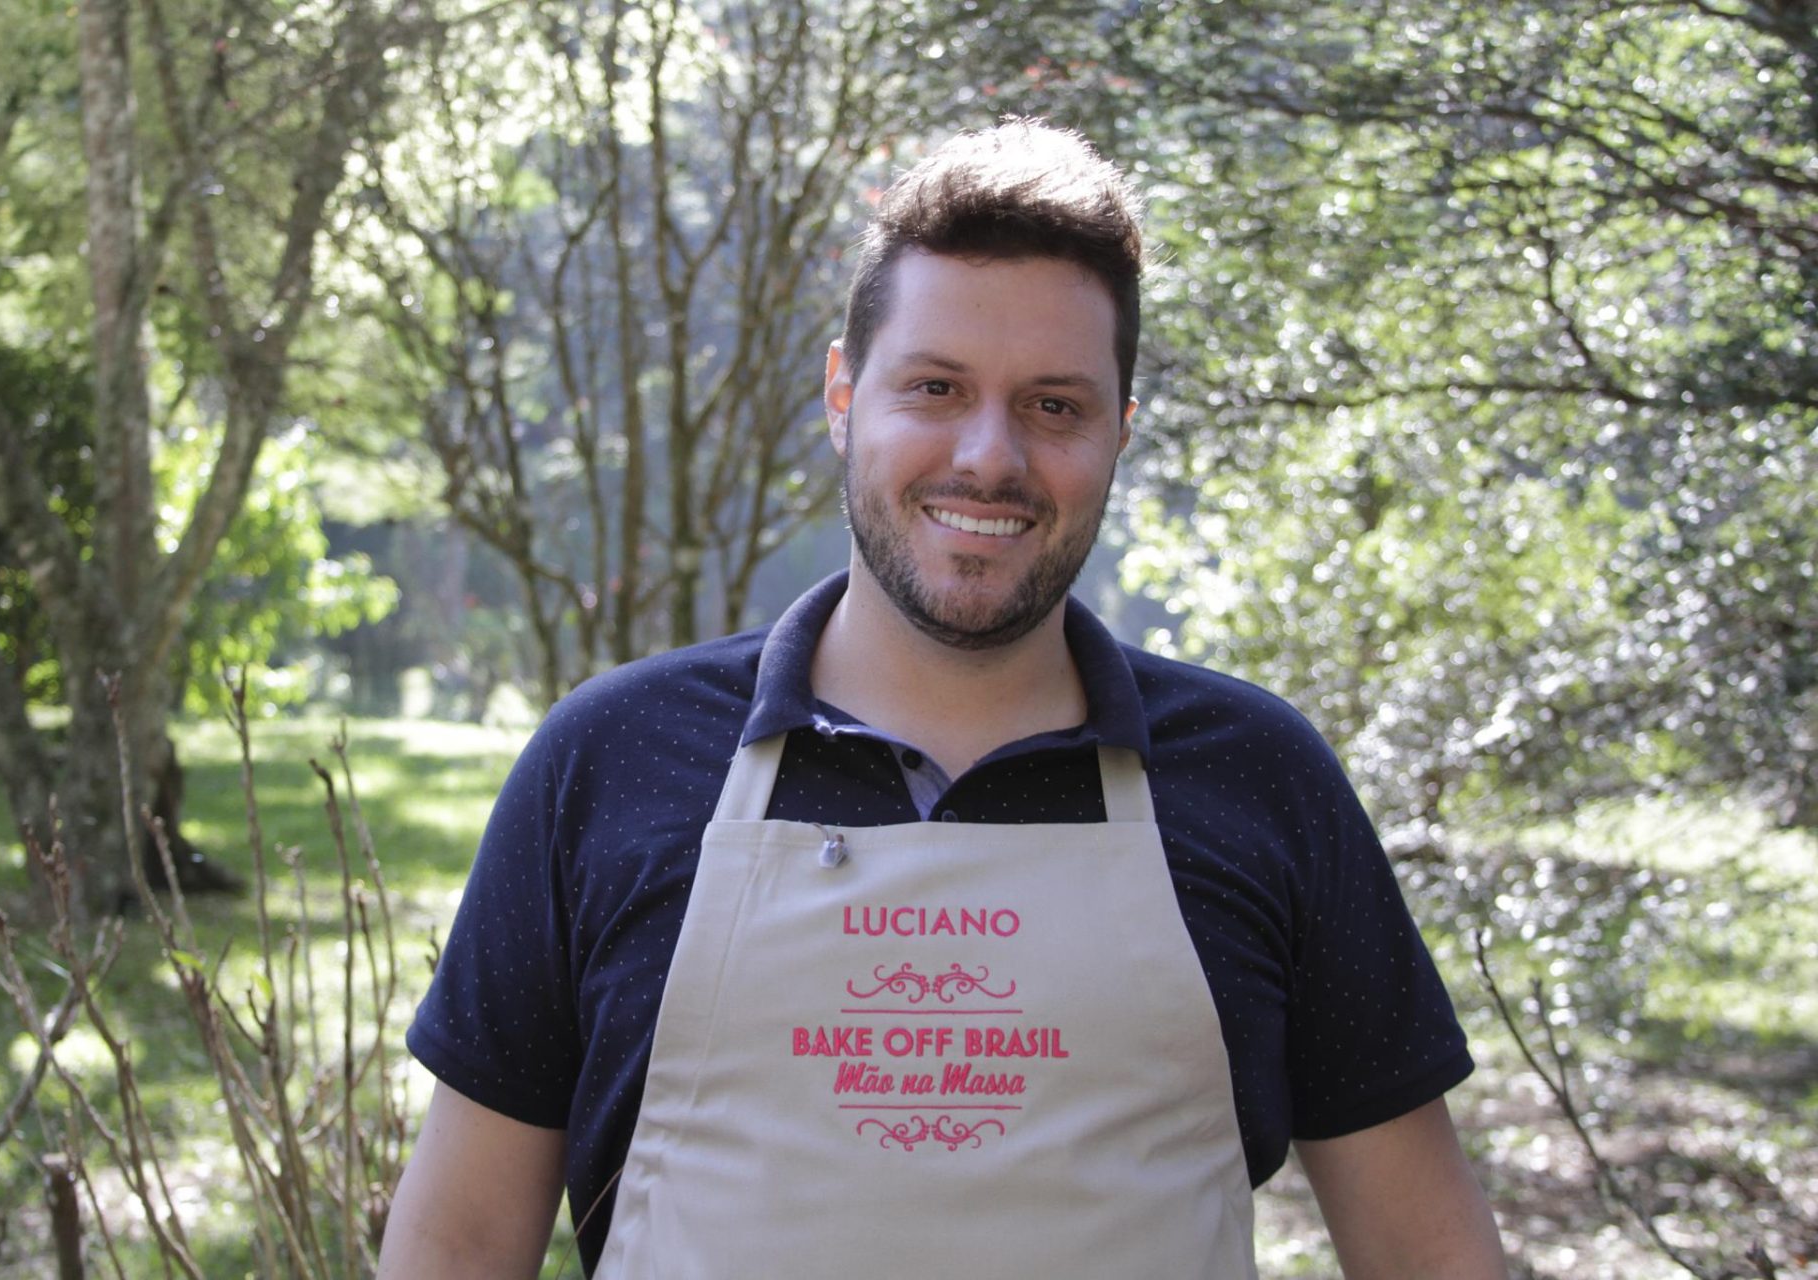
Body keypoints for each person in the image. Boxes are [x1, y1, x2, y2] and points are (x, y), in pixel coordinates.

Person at [377, 120, 1507, 1279]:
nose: (989, 456)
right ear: (842, 393)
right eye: (935, 387)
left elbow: (1429, 1255)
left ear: (1120, 429)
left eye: (1055, 406)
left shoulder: (1259, 775)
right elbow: (459, 1242)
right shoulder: (612, 757)